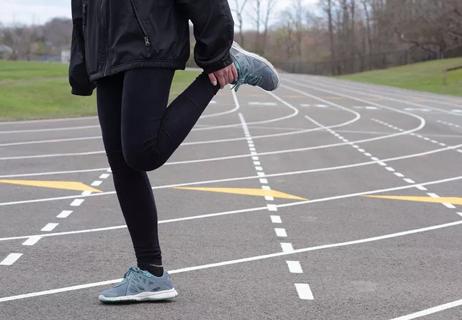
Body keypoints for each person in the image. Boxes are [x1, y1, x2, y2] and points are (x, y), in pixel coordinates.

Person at [69, 0, 279, 303]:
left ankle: (231, 68)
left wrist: (217, 49)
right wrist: (82, 62)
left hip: (149, 35)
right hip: (105, 50)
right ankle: (151, 273)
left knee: (143, 152)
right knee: (122, 164)